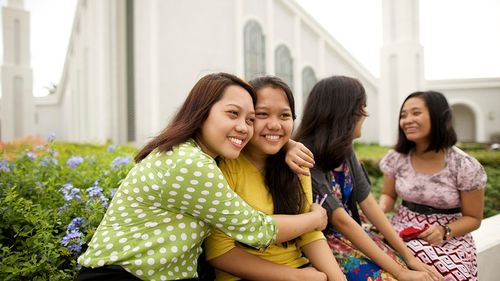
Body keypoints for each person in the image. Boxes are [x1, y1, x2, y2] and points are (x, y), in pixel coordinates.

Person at [76, 72, 328, 281]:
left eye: (250, 119)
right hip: (120, 276)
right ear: (202, 113)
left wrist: (286, 144)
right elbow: (258, 230)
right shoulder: (191, 163)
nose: (244, 126)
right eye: (233, 114)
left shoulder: (200, 154)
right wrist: (315, 218)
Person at [292, 76, 442, 281]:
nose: (365, 113)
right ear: (344, 113)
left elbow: (368, 203)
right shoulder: (305, 155)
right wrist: (401, 272)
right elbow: (341, 221)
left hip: (354, 235)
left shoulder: (344, 149)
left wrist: (409, 258)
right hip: (323, 245)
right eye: (361, 107)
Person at [204, 76, 346, 281]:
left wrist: (337, 278)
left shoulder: (296, 164)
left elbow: (310, 233)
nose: (275, 125)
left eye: (284, 116)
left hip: (301, 269)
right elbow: (219, 253)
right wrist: (296, 277)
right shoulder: (227, 166)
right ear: (248, 118)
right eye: (262, 114)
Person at [378, 90, 487, 281]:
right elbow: (388, 196)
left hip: (448, 237)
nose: (407, 120)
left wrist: (444, 231)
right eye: (403, 115)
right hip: (401, 231)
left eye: (416, 113)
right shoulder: (396, 158)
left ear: (437, 116)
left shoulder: (464, 165)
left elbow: (473, 218)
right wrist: (379, 210)